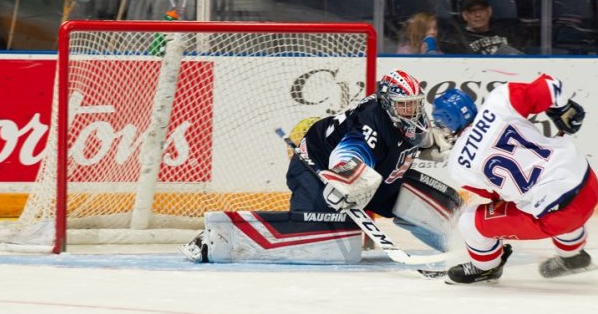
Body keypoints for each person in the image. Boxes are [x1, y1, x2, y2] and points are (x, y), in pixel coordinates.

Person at [181, 70, 461, 263]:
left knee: (444, 207)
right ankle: (216, 239)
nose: (411, 110)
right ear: (387, 103)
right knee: (324, 245)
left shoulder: (414, 119)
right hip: (318, 169)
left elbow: (421, 141)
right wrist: (346, 178)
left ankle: (472, 247)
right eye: (404, 105)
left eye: (414, 104)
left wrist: (434, 143)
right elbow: (350, 152)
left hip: (382, 177)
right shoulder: (370, 120)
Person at [431, 75, 598, 284]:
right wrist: (562, 109)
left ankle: (486, 269)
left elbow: (498, 198)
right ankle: (573, 256)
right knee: (557, 186)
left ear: (446, 124)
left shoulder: (459, 163)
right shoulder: (500, 102)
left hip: (558, 216)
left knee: (470, 220)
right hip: (588, 182)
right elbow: (550, 85)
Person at [444, 0, 523, 55]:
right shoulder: (457, 41)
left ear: (489, 11)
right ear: (464, 15)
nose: (478, 15)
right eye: (472, 11)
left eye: (481, 10)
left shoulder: (507, 32)